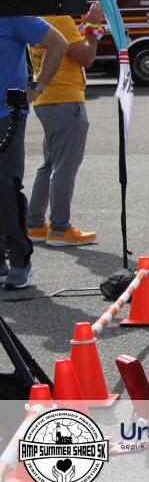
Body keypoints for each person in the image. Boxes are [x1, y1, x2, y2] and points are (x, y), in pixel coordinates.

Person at [25, 3, 103, 248]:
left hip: (46, 99)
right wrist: (92, 27)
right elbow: (86, 57)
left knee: (49, 164)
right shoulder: (61, 19)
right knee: (64, 167)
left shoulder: (37, 17)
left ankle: (34, 224)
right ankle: (60, 229)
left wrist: (83, 28)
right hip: (66, 99)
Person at [0, 17, 68, 289]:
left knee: (5, 185)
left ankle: (20, 260)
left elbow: (58, 42)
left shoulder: (12, 13)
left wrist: (36, 89)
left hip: (6, 114)